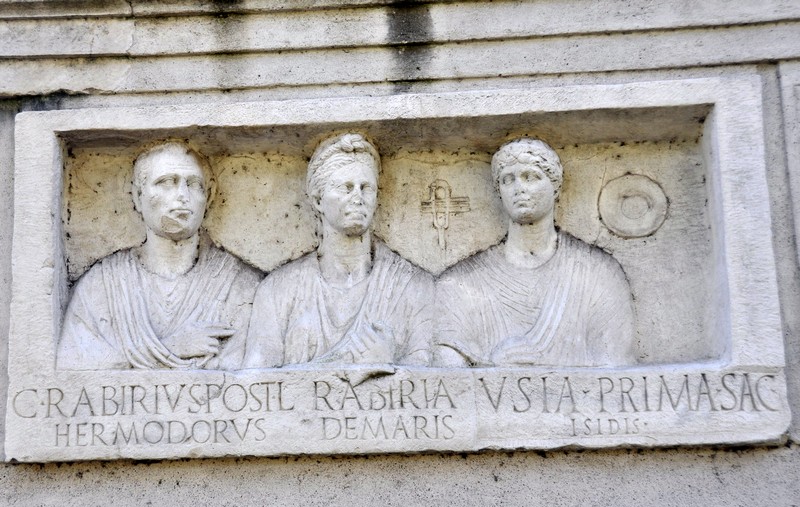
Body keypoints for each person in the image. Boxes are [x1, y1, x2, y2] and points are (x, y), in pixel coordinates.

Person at [57, 141, 261, 370]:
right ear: (137, 196)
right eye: (166, 182)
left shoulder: (242, 285)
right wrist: (171, 348)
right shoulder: (101, 287)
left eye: (193, 184)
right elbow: (74, 372)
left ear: (210, 195)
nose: (182, 195)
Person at [435, 138, 636, 367]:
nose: (519, 188)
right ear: (499, 191)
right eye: (508, 180)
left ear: (555, 186)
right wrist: (492, 368)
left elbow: (618, 370)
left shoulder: (598, 272)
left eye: (531, 177)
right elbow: (445, 375)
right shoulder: (461, 283)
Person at [244, 133, 433, 368]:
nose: (358, 198)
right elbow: (257, 384)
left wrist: (390, 364)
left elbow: (432, 379)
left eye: (366, 188)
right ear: (318, 199)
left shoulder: (411, 286)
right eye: (345, 188)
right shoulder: (278, 290)